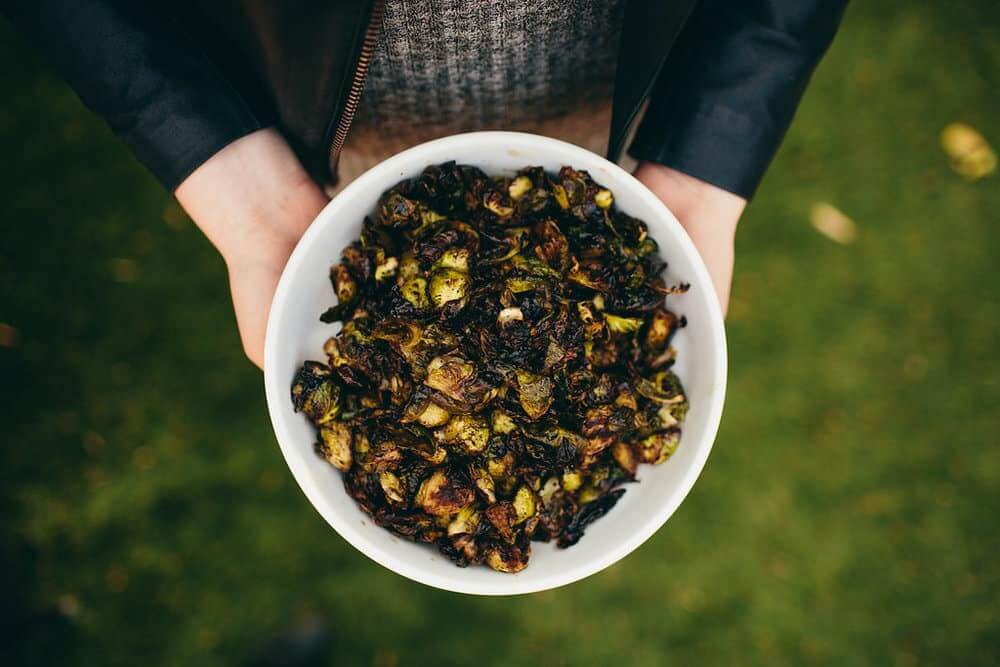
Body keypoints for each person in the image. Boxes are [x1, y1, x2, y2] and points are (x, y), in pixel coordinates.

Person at [4, 0, 847, 368]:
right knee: (390, 226)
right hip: (310, 88)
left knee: (559, 197)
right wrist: (212, 149)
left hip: (604, 76)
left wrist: (705, 154)